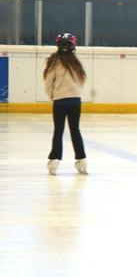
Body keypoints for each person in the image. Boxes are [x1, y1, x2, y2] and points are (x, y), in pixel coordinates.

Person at [44, 33, 88, 175]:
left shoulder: (54, 62)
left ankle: (55, 160)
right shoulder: (76, 63)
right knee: (75, 131)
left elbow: (48, 83)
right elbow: (81, 81)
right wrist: (75, 94)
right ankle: (81, 160)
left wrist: (53, 96)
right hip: (75, 101)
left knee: (59, 131)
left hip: (60, 101)